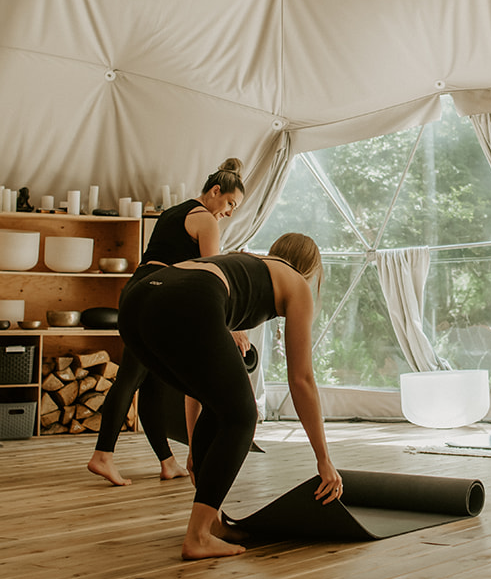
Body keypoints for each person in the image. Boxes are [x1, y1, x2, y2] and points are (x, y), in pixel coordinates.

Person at [117, 232, 339, 559]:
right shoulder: (297, 285)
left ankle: (212, 524)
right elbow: (302, 379)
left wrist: (195, 449)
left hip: (136, 301)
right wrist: (324, 459)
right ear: (311, 269)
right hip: (187, 298)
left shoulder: (245, 269)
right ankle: (197, 536)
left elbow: (199, 389)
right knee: (242, 416)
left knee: (224, 406)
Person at [86, 159, 247, 486]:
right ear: (215, 191)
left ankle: (167, 461)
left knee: (152, 382)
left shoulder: (176, 211)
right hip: (153, 298)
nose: (230, 212)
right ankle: (102, 455)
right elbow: (212, 276)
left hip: (141, 290)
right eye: (230, 203)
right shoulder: (206, 220)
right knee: (131, 376)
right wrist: (232, 326)